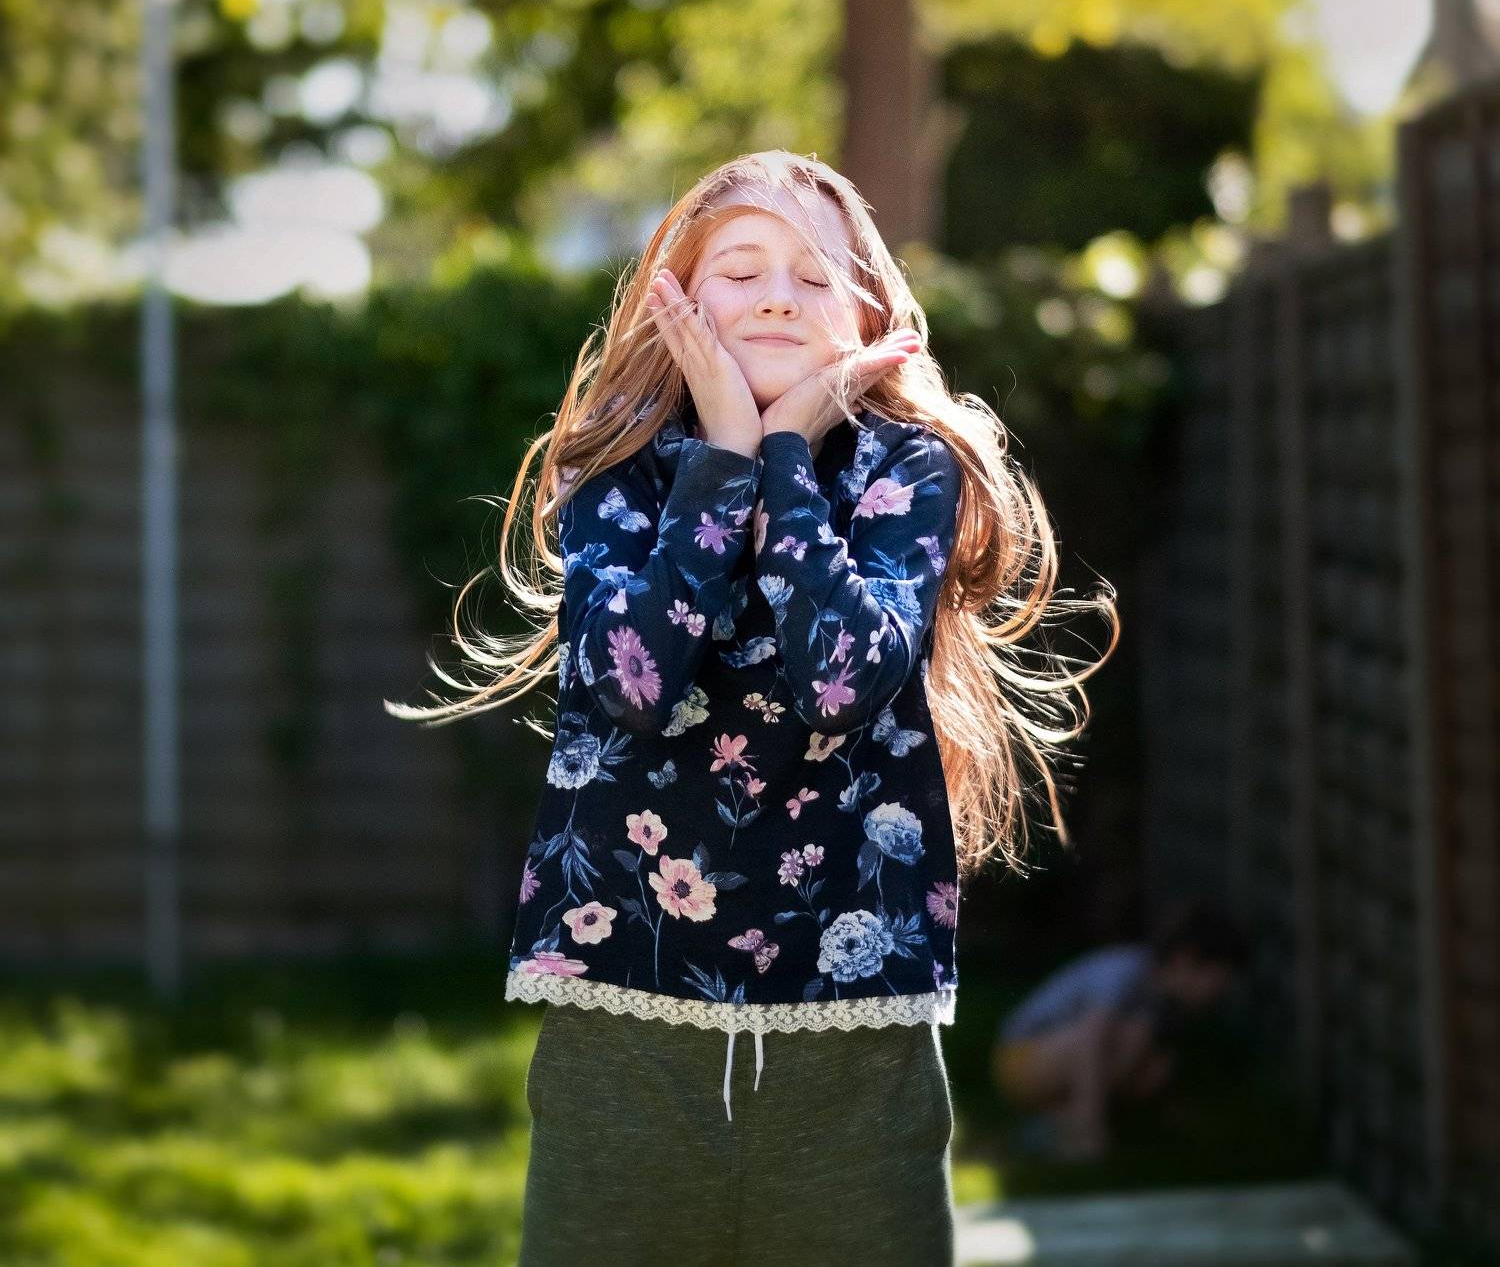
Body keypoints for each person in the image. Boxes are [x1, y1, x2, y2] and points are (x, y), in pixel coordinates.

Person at [386, 150, 1119, 1265]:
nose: (779, 295)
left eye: (817, 276)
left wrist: (785, 457)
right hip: (625, 1022)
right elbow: (634, 682)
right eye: (741, 270)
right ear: (674, 297)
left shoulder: (908, 473)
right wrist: (723, 460)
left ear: (868, 314)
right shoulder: (618, 471)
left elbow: (841, 679)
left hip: (855, 1036)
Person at [990, 898, 1250, 1163]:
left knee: (1158, 1068)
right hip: (1020, 1057)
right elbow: (1091, 1038)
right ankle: (1080, 1128)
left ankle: (1050, 1125)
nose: (1219, 992)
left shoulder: (1163, 1001)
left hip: (1059, 1059)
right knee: (1136, 1035)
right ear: (1187, 959)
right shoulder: (1127, 970)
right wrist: (1091, 1118)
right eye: (1219, 979)